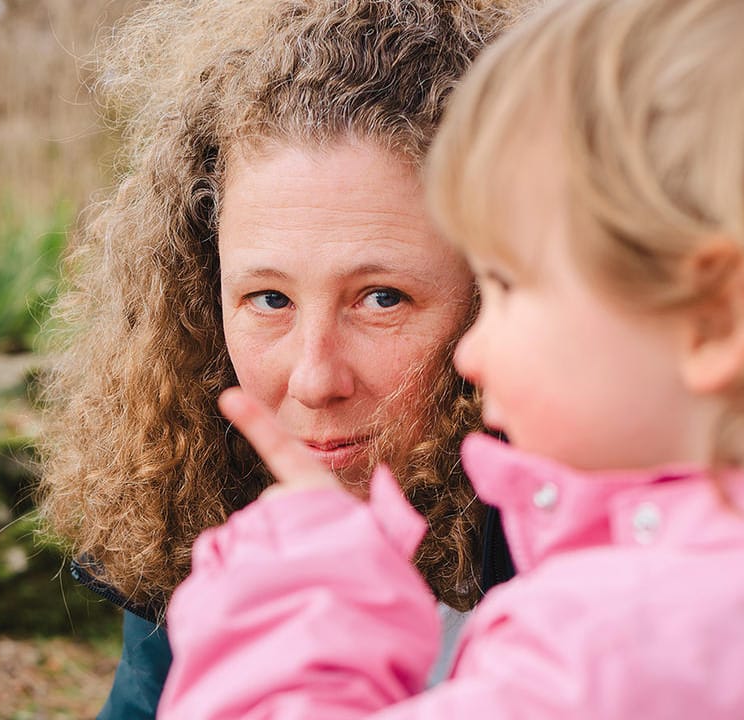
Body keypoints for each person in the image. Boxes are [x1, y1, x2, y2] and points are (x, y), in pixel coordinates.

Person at [157, 0, 744, 716]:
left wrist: (301, 588)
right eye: (267, 299)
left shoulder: (606, 649)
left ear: (716, 318)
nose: (475, 348)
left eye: (507, 284)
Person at [36, 1, 527, 717]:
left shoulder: (595, 545)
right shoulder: (210, 503)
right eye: (268, 300)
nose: (313, 379)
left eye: (381, 298)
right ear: (202, 298)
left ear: (498, 290)